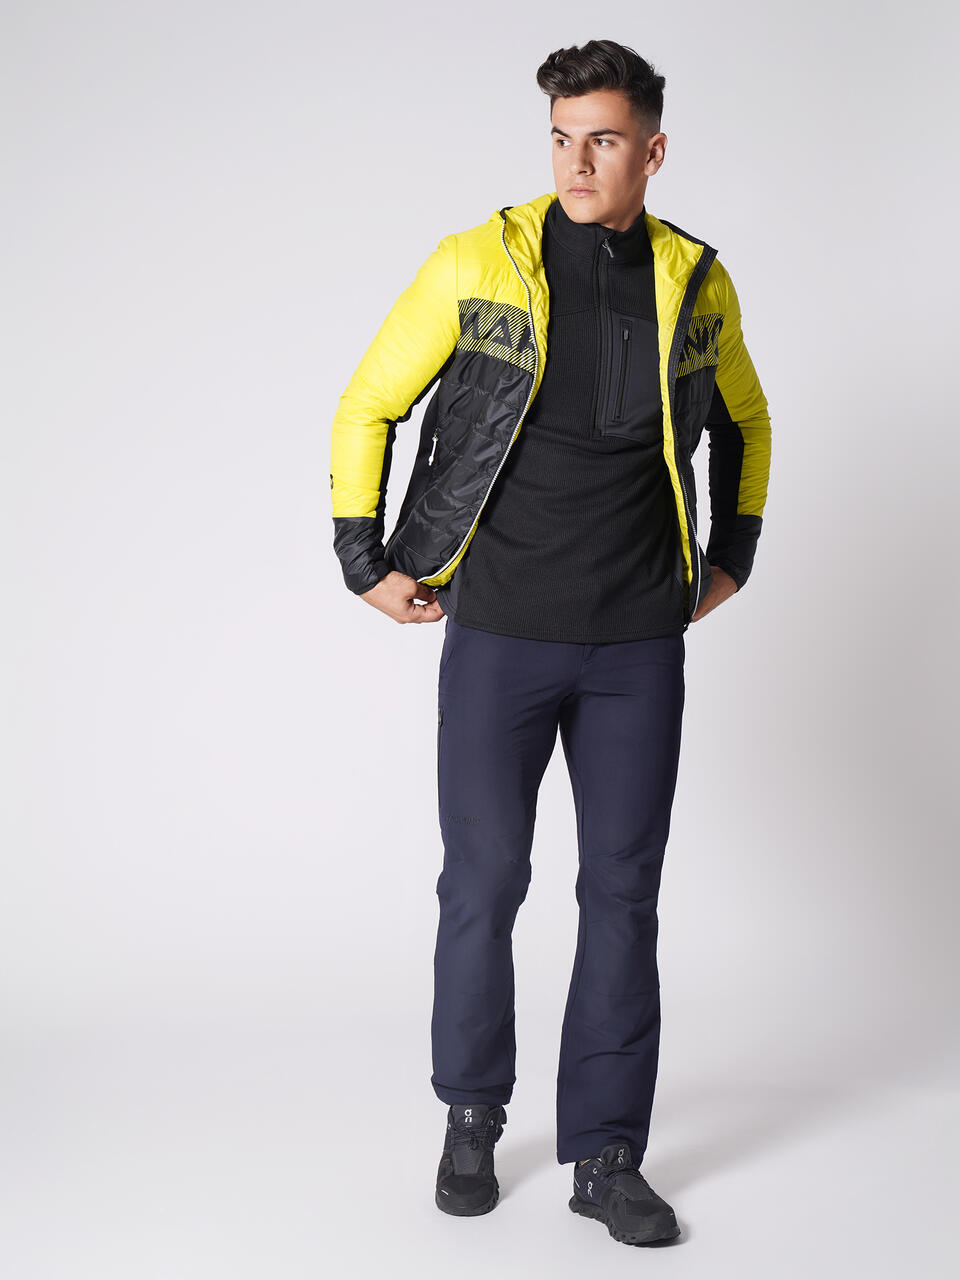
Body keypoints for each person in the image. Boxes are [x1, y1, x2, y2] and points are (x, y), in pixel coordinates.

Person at [329, 38, 772, 1248]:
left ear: (652, 151)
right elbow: (370, 400)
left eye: (604, 140)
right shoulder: (477, 260)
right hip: (500, 633)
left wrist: (733, 550)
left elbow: (745, 417)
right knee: (483, 883)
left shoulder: (695, 279)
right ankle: (472, 1113)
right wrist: (363, 555)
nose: (578, 162)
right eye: (563, 139)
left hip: (637, 643)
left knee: (623, 893)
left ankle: (606, 1153)